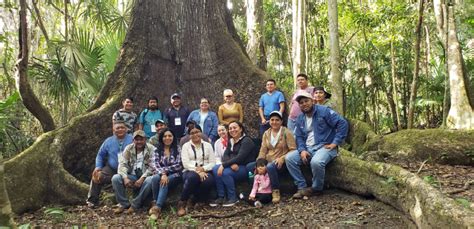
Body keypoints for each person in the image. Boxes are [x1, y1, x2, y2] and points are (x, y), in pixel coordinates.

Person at [285, 91, 348, 198]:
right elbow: (299, 137)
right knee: (289, 158)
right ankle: (302, 187)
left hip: (325, 146)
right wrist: (302, 150)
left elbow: (342, 123)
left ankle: (316, 189)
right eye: (301, 103)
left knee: (316, 162)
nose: (304, 104)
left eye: (306, 101)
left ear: (313, 101)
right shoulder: (300, 118)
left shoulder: (324, 111)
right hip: (308, 148)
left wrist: (335, 142)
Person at [247, 111, 296, 203]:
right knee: (249, 167)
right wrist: (259, 164)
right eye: (272, 120)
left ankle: (275, 191)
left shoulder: (287, 133)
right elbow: (263, 150)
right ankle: (254, 190)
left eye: (277, 120)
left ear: (281, 121)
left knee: (270, 167)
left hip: (281, 162)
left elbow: (293, 149)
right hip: (267, 161)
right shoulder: (266, 133)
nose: (274, 122)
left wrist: (283, 158)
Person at [86, 121, 133, 208]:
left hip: (128, 169)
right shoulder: (108, 141)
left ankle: (124, 203)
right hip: (112, 168)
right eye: (117, 128)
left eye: (122, 127)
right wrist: (98, 167)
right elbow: (100, 155)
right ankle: (92, 201)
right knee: (97, 175)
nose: (120, 129)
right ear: (113, 130)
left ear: (126, 129)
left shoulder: (132, 139)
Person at [211, 121, 256, 207]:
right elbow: (225, 155)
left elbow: (240, 157)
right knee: (215, 168)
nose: (232, 130)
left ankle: (233, 198)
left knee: (225, 173)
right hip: (234, 165)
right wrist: (230, 164)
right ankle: (221, 196)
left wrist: (224, 165)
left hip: (244, 167)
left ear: (241, 129)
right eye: (230, 128)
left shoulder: (246, 140)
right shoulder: (231, 140)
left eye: (235, 128)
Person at [111, 130, 156, 213]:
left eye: (141, 139)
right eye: (137, 139)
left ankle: (135, 205)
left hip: (146, 176)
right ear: (133, 140)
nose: (139, 142)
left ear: (145, 139)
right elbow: (122, 164)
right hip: (132, 175)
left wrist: (142, 178)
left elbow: (153, 167)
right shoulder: (128, 148)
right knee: (116, 178)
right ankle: (124, 204)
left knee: (150, 180)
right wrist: (125, 178)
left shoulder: (151, 149)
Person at [178, 125, 216, 216]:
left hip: (205, 170)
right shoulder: (185, 146)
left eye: (197, 132)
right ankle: (182, 202)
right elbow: (185, 163)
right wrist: (198, 171)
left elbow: (212, 162)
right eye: (192, 133)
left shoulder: (208, 145)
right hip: (189, 170)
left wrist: (203, 169)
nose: (195, 134)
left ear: (201, 133)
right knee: (193, 177)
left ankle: (199, 200)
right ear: (189, 135)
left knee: (208, 180)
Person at [148, 128, 183, 219]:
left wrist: (164, 172)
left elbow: (178, 165)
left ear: (173, 137)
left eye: (170, 136)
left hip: (175, 175)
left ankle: (157, 208)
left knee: (165, 181)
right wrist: (163, 174)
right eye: (165, 136)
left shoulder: (178, 149)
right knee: (155, 178)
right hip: (161, 174)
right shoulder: (157, 149)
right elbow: (154, 165)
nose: (167, 138)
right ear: (161, 138)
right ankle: (155, 202)